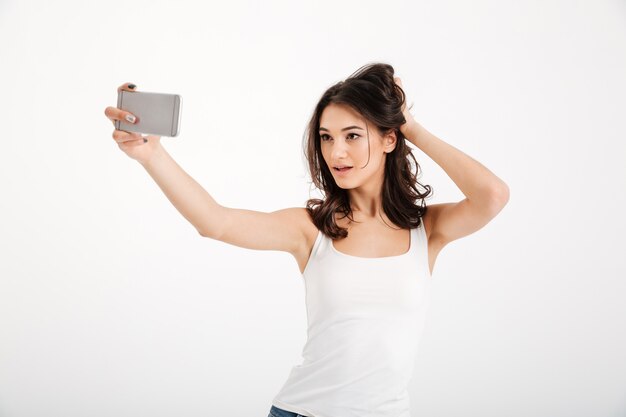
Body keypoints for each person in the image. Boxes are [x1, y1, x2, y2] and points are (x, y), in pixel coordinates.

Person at [104, 62, 509, 417]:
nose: (337, 151)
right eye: (326, 137)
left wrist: (411, 127)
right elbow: (216, 222)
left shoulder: (428, 229)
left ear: (389, 140)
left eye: (352, 135)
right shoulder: (311, 228)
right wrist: (152, 156)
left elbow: (492, 196)